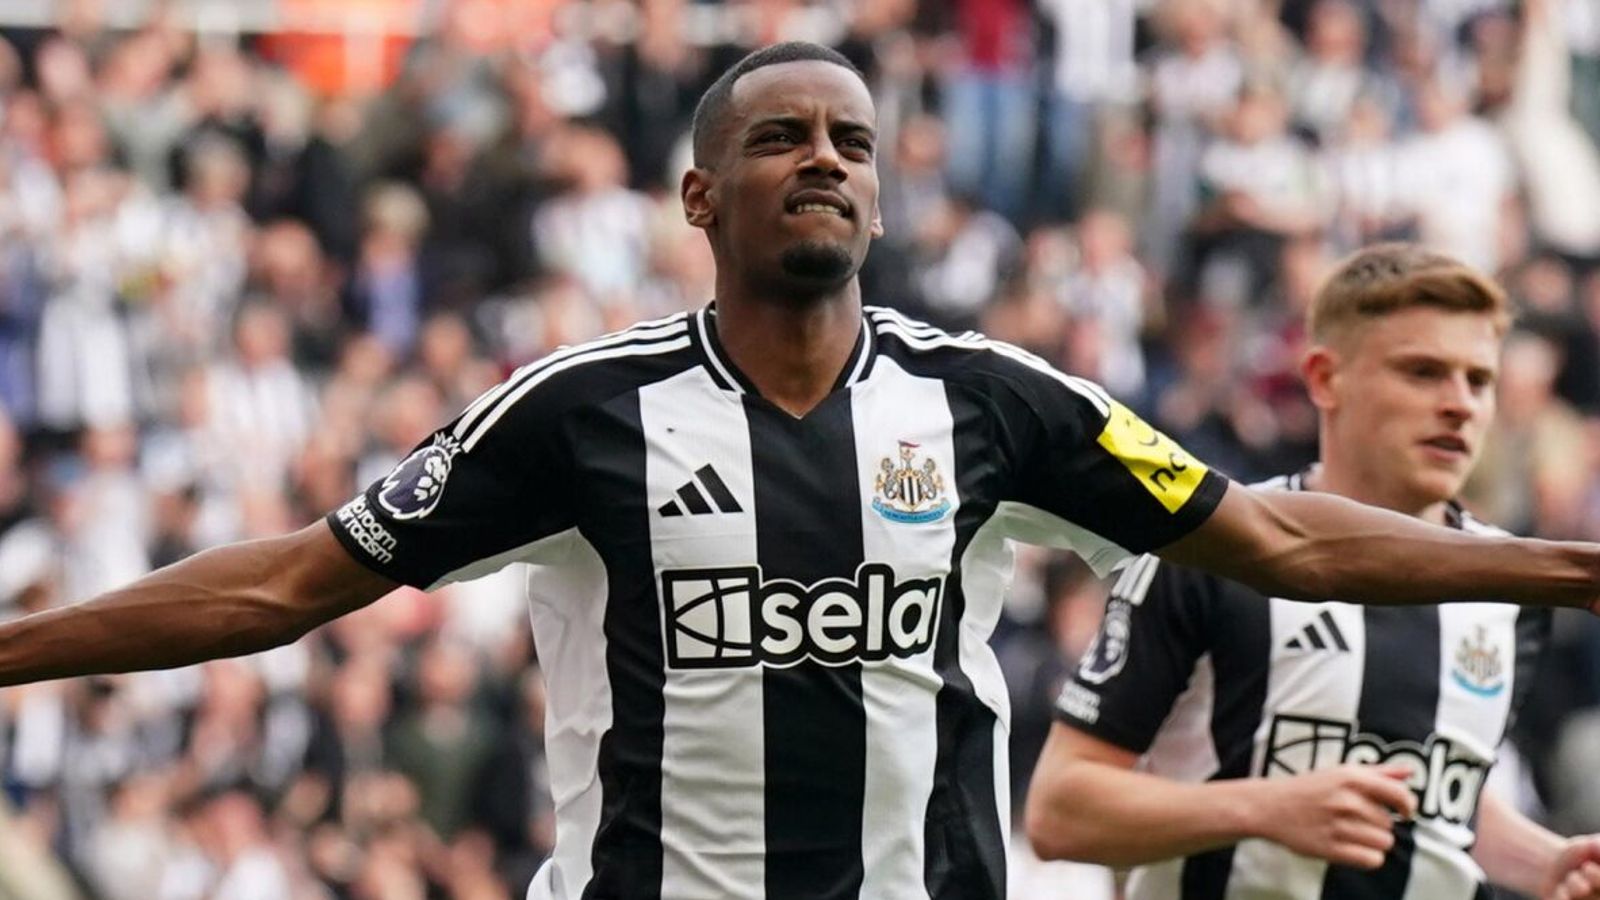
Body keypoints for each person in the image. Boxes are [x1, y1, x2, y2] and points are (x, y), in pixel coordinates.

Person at [1, 43, 1599, 900]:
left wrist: (1571, 566)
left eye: (849, 139)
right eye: (780, 139)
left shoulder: (994, 404)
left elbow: (1284, 544)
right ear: (701, 197)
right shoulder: (577, 415)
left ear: (883, 204)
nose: (822, 158)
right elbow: (287, 580)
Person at [1025, 243, 1600, 899]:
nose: (1460, 404)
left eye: (1479, 380)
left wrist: (1544, 862)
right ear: (1325, 379)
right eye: (1423, 372)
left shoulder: (1507, 594)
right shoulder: (1211, 550)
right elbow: (1061, 810)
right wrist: (1265, 809)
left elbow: (1440, 795)